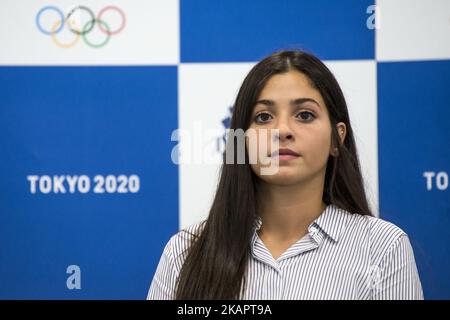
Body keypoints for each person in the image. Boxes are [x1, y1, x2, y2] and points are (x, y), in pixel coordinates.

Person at [147, 49, 423, 300]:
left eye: (304, 115)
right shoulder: (184, 252)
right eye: (264, 117)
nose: (282, 130)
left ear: (336, 140)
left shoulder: (383, 248)